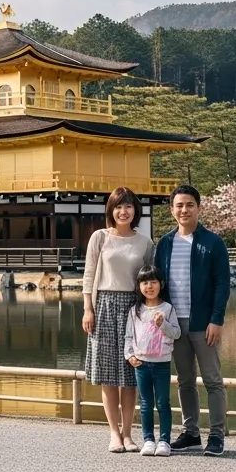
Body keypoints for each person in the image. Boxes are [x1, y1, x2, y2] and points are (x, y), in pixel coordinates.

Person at [154, 184, 231, 457]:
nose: (184, 210)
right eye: (179, 205)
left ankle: (217, 435)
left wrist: (216, 320)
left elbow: (222, 284)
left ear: (199, 207)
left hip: (203, 323)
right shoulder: (165, 243)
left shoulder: (212, 243)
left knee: (212, 379)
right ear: (172, 209)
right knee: (185, 380)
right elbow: (158, 284)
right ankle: (191, 433)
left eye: (189, 205)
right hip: (175, 325)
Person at [82, 186, 154, 453]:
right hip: (104, 306)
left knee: (131, 375)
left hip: (134, 308)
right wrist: (88, 309)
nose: (123, 212)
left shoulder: (145, 242)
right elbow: (89, 276)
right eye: (118, 207)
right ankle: (113, 433)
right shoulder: (99, 238)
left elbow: (150, 281)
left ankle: (128, 433)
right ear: (111, 211)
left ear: (135, 210)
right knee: (108, 376)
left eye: (128, 206)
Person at [124, 265, 181, 457]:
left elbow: (177, 333)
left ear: (161, 284)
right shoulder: (135, 311)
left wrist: (162, 324)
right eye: (145, 282)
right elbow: (128, 337)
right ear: (139, 286)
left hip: (162, 363)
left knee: (163, 402)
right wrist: (129, 355)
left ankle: (164, 440)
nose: (149, 286)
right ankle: (148, 439)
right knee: (146, 403)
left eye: (153, 281)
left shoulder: (167, 309)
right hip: (141, 363)